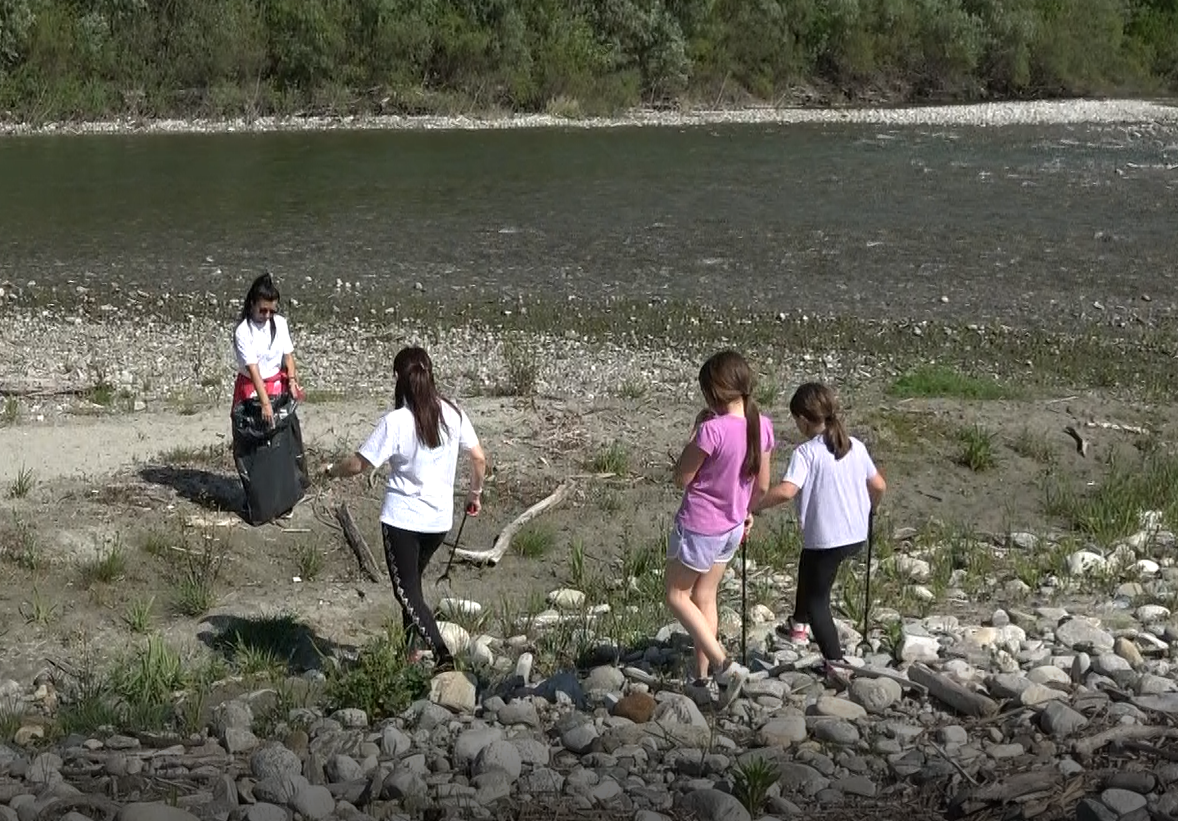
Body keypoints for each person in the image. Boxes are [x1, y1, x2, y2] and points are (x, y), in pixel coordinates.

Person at [322, 346, 487, 673]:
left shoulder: (396, 421)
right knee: (413, 586)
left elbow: (359, 464)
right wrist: (475, 494)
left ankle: (442, 656)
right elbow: (479, 458)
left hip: (403, 521)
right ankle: (409, 655)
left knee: (406, 592)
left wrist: (331, 471)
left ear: (399, 378)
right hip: (438, 522)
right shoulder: (453, 413)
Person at [751, 381, 887, 684]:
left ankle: (835, 663)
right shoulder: (854, 445)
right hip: (855, 534)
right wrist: (870, 510)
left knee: (818, 602)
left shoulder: (806, 453)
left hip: (828, 539)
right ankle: (797, 626)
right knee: (808, 566)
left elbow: (787, 491)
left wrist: (754, 504)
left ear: (802, 419)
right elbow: (879, 486)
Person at [667, 349, 774, 707]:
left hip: (701, 525)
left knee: (677, 596)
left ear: (713, 392)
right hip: (732, 525)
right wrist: (747, 512)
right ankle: (700, 681)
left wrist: (696, 432)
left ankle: (723, 664)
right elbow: (761, 486)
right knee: (705, 597)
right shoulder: (763, 426)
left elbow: (682, 477)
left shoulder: (711, 431)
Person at [230, 274, 308, 523]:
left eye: (270, 311)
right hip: (253, 393)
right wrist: (265, 404)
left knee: (282, 447)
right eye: (262, 310)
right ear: (252, 303)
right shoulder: (243, 331)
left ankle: (284, 498)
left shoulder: (280, 324)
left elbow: (288, 356)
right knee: (257, 450)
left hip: (278, 388)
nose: (266, 316)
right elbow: (253, 371)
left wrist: (293, 381)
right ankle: (260, 501)